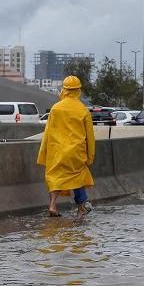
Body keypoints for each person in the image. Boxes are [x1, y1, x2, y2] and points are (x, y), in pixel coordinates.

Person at [37, 75, 95, 218]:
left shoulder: (56, 109)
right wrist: (90, 156)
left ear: (64, 90)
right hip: (76, 152)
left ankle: (52, 205)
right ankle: (81, 207)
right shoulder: (83, 110)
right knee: (77, 177)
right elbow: (90, 137)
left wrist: (43, 153)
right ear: (78, 91)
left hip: (57, 150)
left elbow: (48, 132)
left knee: (55, 179)